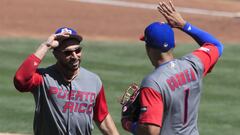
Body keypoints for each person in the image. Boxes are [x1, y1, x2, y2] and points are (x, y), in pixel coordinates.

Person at [121, 1, 224, 135]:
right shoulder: (193, 64)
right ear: (173, 44)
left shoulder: (153, 83)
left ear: (148, 48)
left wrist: (129, 124)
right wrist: (184, 25)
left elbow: (151, 131)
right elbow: (216, 45)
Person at [14, 27, 119, 135]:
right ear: (56, 54)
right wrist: (46, 46)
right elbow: (21, 80)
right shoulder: (43, 78)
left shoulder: (94, 80)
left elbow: (102, 116)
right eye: (68, 53)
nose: (74, 56)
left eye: (77, 50)